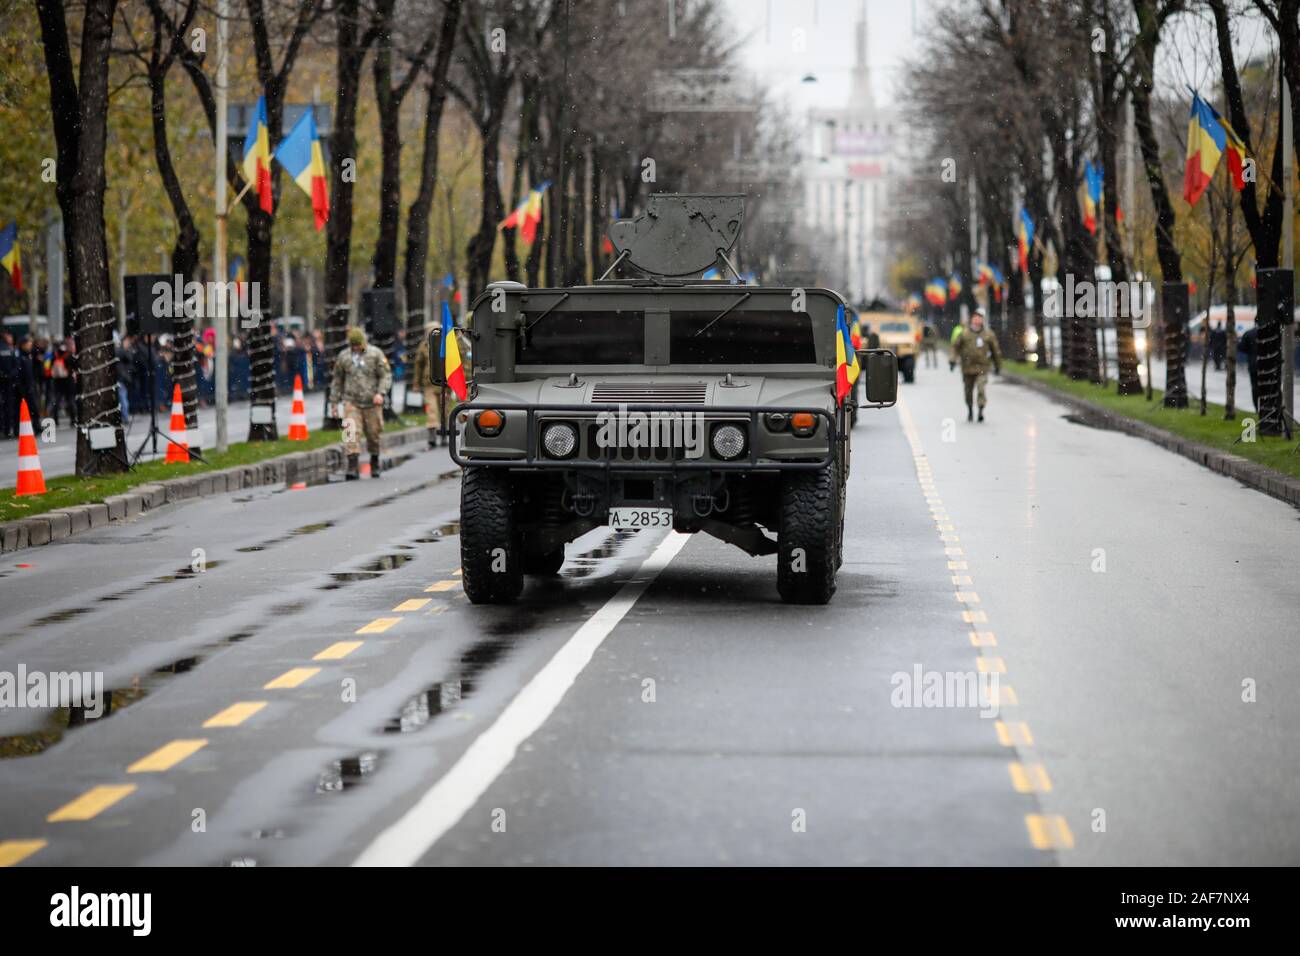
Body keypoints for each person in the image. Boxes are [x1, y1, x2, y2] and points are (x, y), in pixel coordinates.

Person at [330, 326, 392, 479]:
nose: (357, 348)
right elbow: (337, 380)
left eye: (359, 345)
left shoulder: (375, 354)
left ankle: (375, 460)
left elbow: (385, 375)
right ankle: (352, 465)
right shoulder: (344, 357)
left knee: (373, 433)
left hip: (372, 401)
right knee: (350, 432)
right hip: (352, 401)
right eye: (354, 345)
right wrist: (334, 403)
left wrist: (380, 393)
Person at [950, 308, 1002, 422]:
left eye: (979, 318)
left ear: (982, 320)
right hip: (967, 368)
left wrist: (998, 365)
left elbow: (995, 351)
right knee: (968, 391)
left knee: (981, 388)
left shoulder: (988, 334)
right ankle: (970, 409)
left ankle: (980, 410)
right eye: (975, 318)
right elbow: (955, 347)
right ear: (972, 320)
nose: (977, 320)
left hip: (982, 367)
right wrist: (952, 360)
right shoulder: (964, 333)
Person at [410, 331, 456, 449]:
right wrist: (416, 383)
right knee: (432, 410)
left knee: (444, 410)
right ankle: (432, 437)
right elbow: (418, 366)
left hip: (444, 385)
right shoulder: (424, 346)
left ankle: (445, 434)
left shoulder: (448, 344)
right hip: (429, 384)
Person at [0, 331, 18, 438]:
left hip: (5, 382)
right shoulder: (11, 350)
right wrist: (10, 375)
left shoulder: (10, 349)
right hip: (9, 382)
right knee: (8, 406)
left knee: (4, 406)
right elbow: (16, 366)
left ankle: (5, 428)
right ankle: (7, 429)